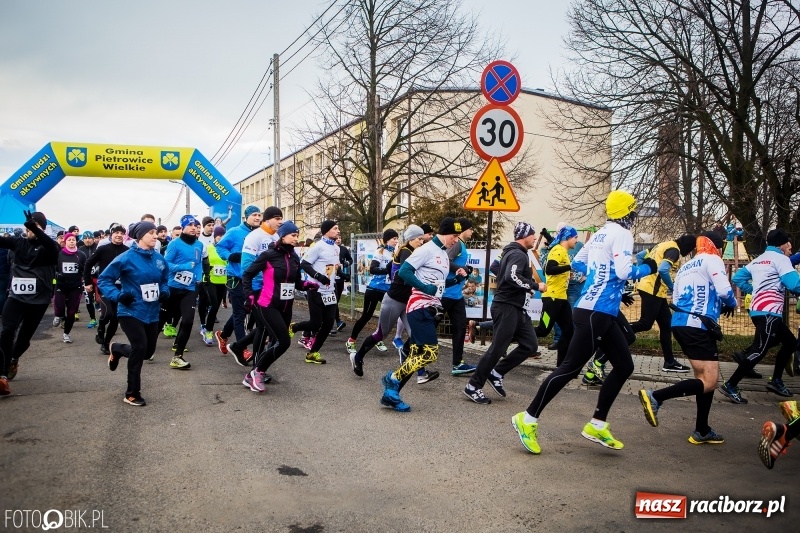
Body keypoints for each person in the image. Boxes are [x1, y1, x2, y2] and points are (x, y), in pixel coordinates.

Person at [511, 190, 657, 453]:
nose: (635, 216)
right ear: (627, 213)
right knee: (569, 369)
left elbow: (578, 261)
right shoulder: (622, 234)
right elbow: (625, 271)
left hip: (599, 309)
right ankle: (528, 418)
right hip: (596, 311)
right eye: (633, 211)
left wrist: (600, 276)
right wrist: (648, 267)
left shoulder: (602, 232)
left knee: (624, 365)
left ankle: (598, 424)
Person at [638, 232, 737, 445]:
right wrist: (732, 303)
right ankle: (656, 397)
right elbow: (724, 290)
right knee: (710, 380)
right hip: (698, 325)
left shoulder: (687, 265)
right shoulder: (713, 260)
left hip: (680, 323)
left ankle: (702, 429)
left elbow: (679, 293)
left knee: (703, 379)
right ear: (717, 246)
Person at [379, 217, 466, 412]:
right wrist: (423, 287)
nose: (456, 241)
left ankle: (391, 395)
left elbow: (438, 286)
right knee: (429, 353)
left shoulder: (443, 255)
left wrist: (457, 279)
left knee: (416, 354)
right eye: (454, 236)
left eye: (458, 237)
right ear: (443, 234)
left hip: (430, 308)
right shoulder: (425, 250)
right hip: (419, 307)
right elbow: (404, 272)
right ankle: (392, 378)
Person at [464, 222, 546, 404]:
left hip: (517, 307)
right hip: (506, 306)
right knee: (497, 349)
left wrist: (516, 283)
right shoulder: (518, 254)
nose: (534, 238)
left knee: (530, 345)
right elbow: (512, 276)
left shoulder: (509, 251)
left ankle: (497, 372)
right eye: (532, 234)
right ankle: (473, 386)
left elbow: (495, 267)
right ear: (524, 236)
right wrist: (534, 285)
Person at [721, 229, 800, 403]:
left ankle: (777, 381)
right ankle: (731, 384)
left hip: (758, 310)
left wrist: (755, 291)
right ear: (782, 244)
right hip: (769, 312)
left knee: (790, 342)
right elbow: (794, 284)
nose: (791, 248)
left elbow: (738, 278)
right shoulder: (781, 259)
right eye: (789, 244)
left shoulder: (758, 260)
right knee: (759, 350)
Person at [241, 221, 319, 391]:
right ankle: (257, 372)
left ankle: (254, 374)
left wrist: (308, 285)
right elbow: (247, 274)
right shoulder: (268, 255)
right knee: (283, 342)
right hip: (267, 304)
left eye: (297, 235)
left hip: (286, 307)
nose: (295, 238)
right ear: (283, 236)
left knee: (279, 342)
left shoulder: (294, 257)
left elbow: (296, 282)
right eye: (293, 235)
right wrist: (249, 296)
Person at [100, 221, 170, 406]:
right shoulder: (125, 258)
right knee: (139, 348)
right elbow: (104, 280)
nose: (156, 236)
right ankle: (132, 393)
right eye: (151, 233)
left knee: (147, 353)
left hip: (152, 312)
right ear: (140, 236)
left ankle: (117, 348)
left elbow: (164, 279)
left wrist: (165, 291)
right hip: (130, 311)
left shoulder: (159, 259)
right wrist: (118, 296)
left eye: (156, 232)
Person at [349, 225, 425, 378]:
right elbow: (405, 272)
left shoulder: (413, 252)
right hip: (394, 299)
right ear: (410, 239)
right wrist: (423, 285)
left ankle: (421, 373)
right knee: (380, 335)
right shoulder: (405, 251)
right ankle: (357, 357)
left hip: (407, 300)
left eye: (423, 239)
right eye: (419, 239)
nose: (421, 242)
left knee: (416, 335)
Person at [0, 211, 60, 396]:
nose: (31, 230)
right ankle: (1, 375)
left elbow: (53, 249)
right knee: (6, 330)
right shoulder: (18, 243)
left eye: (36, 227)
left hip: (38, 301)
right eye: (29, 227)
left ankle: (14, 358)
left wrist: (36, 227)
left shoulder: (49, 248)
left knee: (24, 338)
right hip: (16, 297)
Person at [629, 235, 697, 372]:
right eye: (691, 250)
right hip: (652, 290)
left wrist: (645, 273)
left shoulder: (662, 244)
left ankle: (669, 362)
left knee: (667, 325)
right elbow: (663, 269)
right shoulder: (674, 250)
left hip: (654, 290)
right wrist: (673, 288)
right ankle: (617, 332)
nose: (690, 253)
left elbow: (640, 256)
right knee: (645, 324)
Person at [214, 206, 263, 363]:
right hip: (236, 277)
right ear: (246, 217)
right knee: (240, 314)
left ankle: (223, 335)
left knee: (243, 310)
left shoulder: (261, 234)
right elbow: (219, 247)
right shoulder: (235, 232)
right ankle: (242, 349)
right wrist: (230, 256)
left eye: (259, 215)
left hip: (254, 279)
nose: (257, 218)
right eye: (254, 215)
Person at [290, 220, 341, 364]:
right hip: (316, 289)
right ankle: (294, 327)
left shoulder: (336, 248)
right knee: (315, 324)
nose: (338, 231)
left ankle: (313, 353)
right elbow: (304, 264)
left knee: (329, 324)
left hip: (330, 291)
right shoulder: (318, 246)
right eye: (335, 228)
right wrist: (318, 276)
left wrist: (341, 274)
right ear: (326, 231)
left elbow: (332, 267)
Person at [235, 207, 284, 358]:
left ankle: (238, 346)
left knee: (267, 326)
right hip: (257, 288)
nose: (280, 221)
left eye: (281, 218)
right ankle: (257, 367)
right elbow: (247, 266)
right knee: (264, 326)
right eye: (277, 218)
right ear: (267, 219)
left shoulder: (277, 237)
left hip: (273, 289)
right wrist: (254, 287)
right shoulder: (254, 236)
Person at [161, 215, 205, 369]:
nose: (194, 227)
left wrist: (199, 277)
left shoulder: (199, 245)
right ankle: (148, 348)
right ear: (183, 227)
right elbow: (166, 265)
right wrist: (184, 266)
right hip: (173, 287)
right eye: (191, 225)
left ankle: (178, 356)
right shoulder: (174, 244)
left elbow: (198, 264)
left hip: (190, 288)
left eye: (196, 225)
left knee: (187, 321)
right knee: (161, 320)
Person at [346, 229, 398, 354]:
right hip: (374, 289)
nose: (396, 241)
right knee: (366, 316)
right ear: (387, 240)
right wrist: (388, 269)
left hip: (388, 290)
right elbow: (373, 270)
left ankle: (378, 338)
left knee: (385, 316)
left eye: (397, 238)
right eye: (394, 238)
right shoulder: (380, 252)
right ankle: (351, 340)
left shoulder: (397, 253)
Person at [534, 225, 578, 366]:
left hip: (561, 299)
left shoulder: (563, 251)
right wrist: (569, 267)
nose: (577, 241)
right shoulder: (558, 250)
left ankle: (562, 365)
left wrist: (566, 275)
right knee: (543, 330)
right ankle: (508, 337)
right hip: (551, 299)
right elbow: (550, 269)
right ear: (568, 238)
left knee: (569, 331)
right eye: (575, 237)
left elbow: (556, 271)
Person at [84, 225, 128, 355]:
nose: (119, 235)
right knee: (107, 314)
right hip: (105, 286)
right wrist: (87, 282)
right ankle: (101, 327)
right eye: (116, 232)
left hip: (121, 288)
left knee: (116, 318)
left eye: (122, 233)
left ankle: (106, 343)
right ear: (111, 235)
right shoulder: (103, 249)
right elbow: (88, 263)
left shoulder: (127, 251)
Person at [443, 218, 477, 376]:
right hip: (446, 294)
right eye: (470, 229)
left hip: (456, 296)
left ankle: (457, 364)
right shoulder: (457, 244)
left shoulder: (461, 245)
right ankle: (408, 351)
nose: (472, 232)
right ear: (464, 230)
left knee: (459, 327)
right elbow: (445, 261)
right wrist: (461, 268)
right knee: (429, 325)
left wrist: (466, 269)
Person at [53, 233, 87, 343]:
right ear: (65, 242)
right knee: (59, 305)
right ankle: (58, 315)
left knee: (72, 312)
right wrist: (54, 280)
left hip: (75, 286)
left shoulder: (81, 255)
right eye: (69, 240)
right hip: (61, 285)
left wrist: (81, 268)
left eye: (73, 240)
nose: (72, 241)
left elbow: (86, 270)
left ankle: (66, 333)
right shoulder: (59, 254)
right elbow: (54, 269)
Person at [78, 231, 98, 328]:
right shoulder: (80, 250)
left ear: (93, 238)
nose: (87, 240)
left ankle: (105, 317)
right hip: (86, 279)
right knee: (88, 299)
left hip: (98, 278)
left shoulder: (98, 248)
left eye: (89, 238)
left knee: (101, 299)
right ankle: (93, 319)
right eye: (85, 238)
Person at [332, 235, 352, 334]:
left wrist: (347, 263)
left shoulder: (343, 249)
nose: (338, 240)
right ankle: (336, 322)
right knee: (333, 301)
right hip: (330, 279)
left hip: (340, 279)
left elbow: (350, 259)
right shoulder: (329, 249)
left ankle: (335, 321)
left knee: (336, 301)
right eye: (336, 238)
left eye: (340, 238)